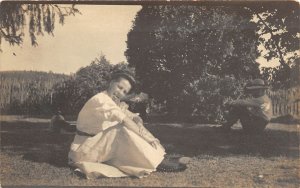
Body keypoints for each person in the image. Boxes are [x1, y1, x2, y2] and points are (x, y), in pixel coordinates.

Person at [68, 71, 166, 179]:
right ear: (111, 83)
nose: (120, 92)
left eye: (124, 91)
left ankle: (157, 155)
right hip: (83, 151)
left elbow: (134, 117)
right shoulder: (101, 100)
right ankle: (157, 160)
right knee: (120, 129)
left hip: (95, 145)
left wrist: (139, 123)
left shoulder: (111, 100)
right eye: (119, 87)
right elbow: (125, 121)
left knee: (129, 129)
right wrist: (147, 138)